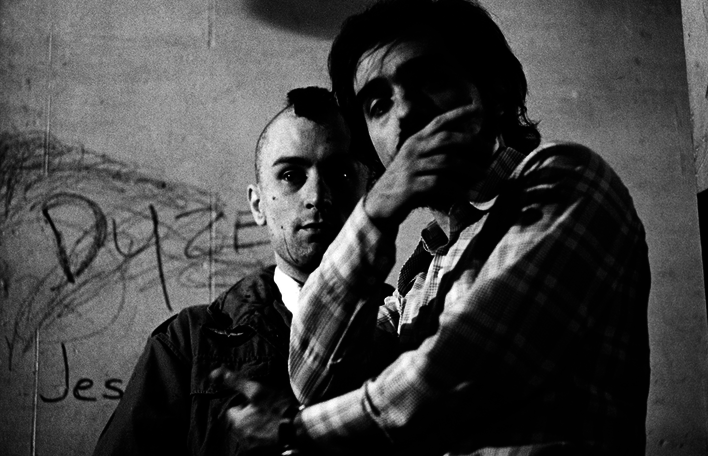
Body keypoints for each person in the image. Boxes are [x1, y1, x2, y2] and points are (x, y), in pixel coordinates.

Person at [219, 1, 651, 455]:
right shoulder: (421, 276)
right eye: (378, 105)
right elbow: (315, 380)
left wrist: (294, 430)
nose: (405, 113)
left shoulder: (564, 180)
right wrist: (374, 212)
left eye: (429, 78)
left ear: (495, 87)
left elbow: (460, 373)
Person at [91, 87, 371, 456]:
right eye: (290, 175)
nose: (317, 196)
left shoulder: (412, 322)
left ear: (370, 191)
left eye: (341, 173)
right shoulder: (188, 343)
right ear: (257, 205)